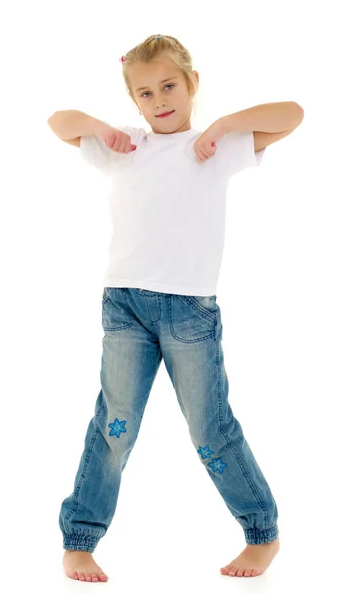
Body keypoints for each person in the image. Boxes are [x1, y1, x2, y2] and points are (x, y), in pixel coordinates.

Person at [50, 34, 284, 582]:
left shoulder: (214, 146)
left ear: (192, 83)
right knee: (115, 424)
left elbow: (292, 114)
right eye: (146, 93)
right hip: (124, 306)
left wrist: (224, 127)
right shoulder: (123, 144)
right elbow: (58, 122)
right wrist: (99, 128)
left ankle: (262, 532)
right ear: (135, 101)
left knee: (209, 430)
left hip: (189, 313)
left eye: (170, 86)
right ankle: (80, 539)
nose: (159, 100)